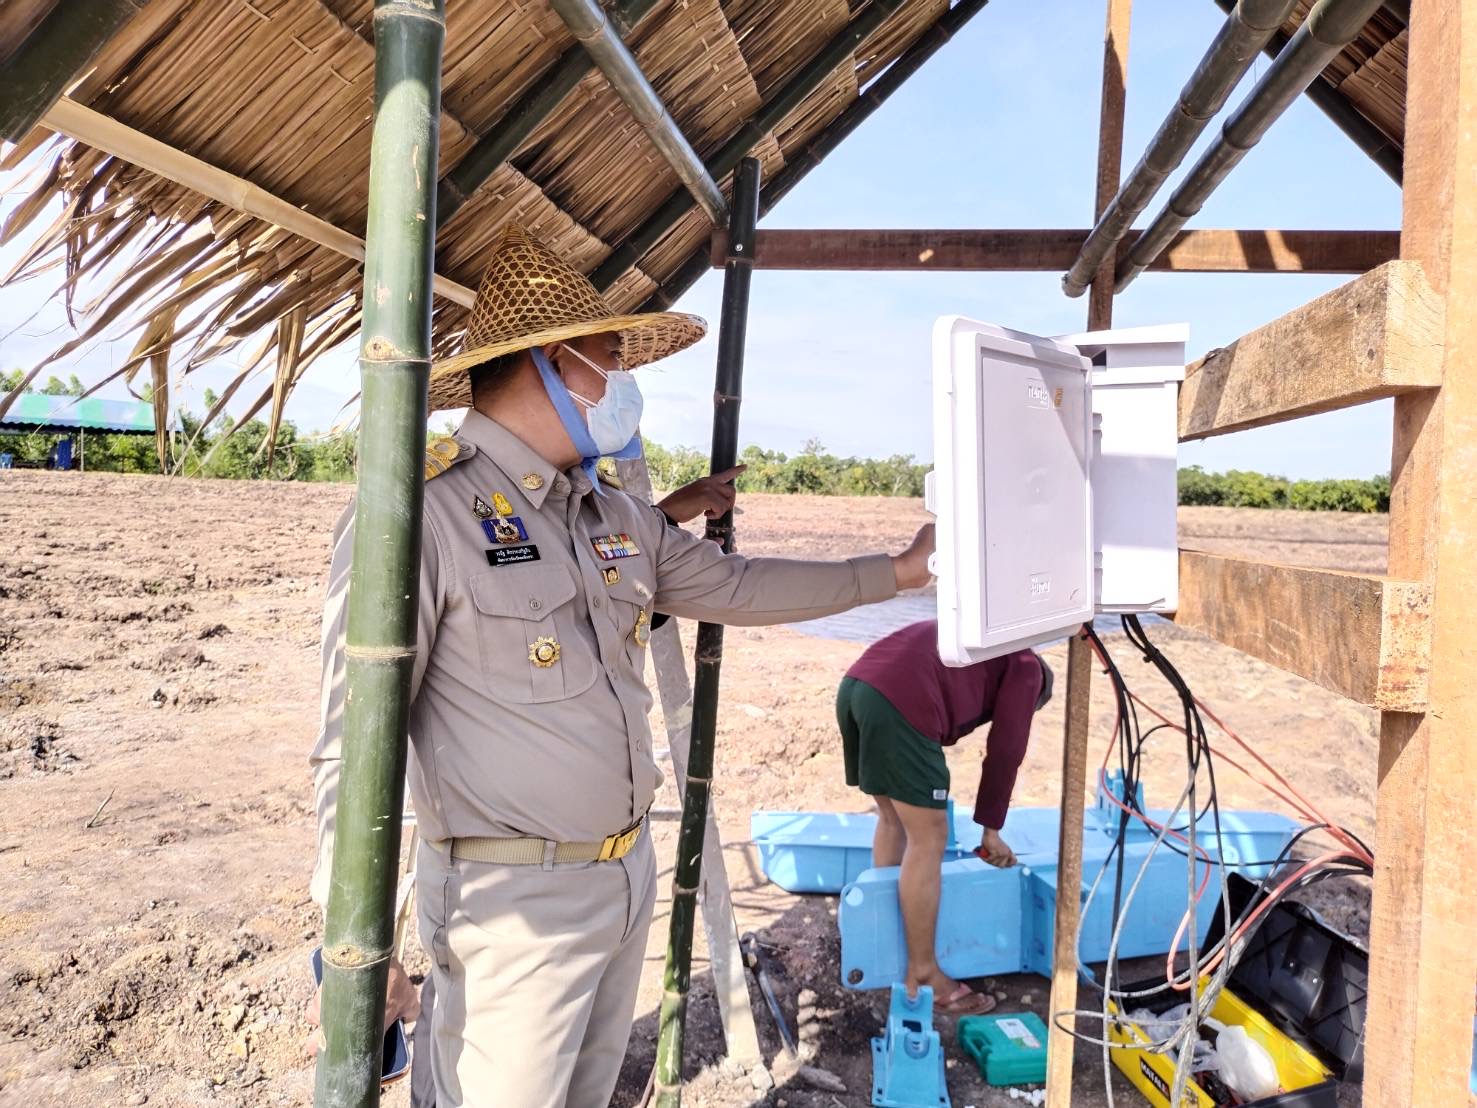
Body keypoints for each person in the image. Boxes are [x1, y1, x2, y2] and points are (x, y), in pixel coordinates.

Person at [307, 224, 936, 1108]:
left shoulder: (607, 510)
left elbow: (736, 585)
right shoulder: (423, 514)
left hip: (623, 875)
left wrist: (899, 572)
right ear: (555, 363)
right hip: (510, 908)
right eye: (610, 357)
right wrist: (356, 954)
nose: (624, 384)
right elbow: (349, 747)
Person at [837, 620, 1053, 1015]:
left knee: (893, 822)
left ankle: (888, 950)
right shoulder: (1027, 668)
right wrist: (991, 830)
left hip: (857, 687)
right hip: (902, 701)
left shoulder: (992, 638)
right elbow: (1006, 750)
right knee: (929, 837)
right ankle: (924, 974)